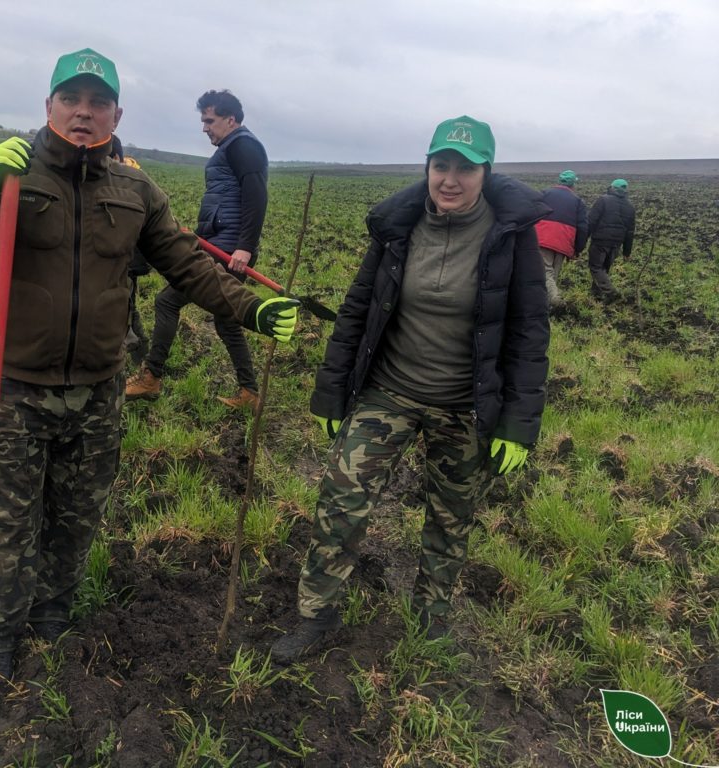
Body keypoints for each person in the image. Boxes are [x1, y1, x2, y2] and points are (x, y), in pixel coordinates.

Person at [0, 48, 299, 683]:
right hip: (16, 388)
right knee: (9, 524)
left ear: (117, 113)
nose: (84, 113)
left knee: (76, 515)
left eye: (98, 103)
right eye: (72, 99)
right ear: (49, 105)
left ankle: (52, 617)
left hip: (98, 389)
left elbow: (185, 263)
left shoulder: (135, 188)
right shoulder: (7, 169)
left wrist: (252, 310)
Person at [270, 116, 550, 665]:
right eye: (440, 165)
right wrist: (331, 391)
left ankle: (432, 615)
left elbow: (527, 331)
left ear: (485, 172)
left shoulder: (510, 237)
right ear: (427, 166)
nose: (450, 178)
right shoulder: (399, 227)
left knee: (451, 517)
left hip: (465, 405)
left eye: (465, 168)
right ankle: (315, 615)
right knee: (341, 503)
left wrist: (518, 424)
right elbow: (356, 311)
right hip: (389, 392)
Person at [126, 89, 269, 410]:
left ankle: (151, 376)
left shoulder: (243, 145)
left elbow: (256, 195)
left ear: (230, 120)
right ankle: (249, 393)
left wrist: (244, 247)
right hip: (219, 242)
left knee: (166, 302)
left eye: (210, 120)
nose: (205, 127)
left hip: (228, 248)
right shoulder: (233, 146)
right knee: (226, 320)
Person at [109, 136, 151, 364]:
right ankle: (140, 356)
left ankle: (139, 356)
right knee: (128, 304)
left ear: (116, 158)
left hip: (129, 258)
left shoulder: (130, 185)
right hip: (127, 257)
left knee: (127, 305)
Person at [534, 170, 589, 309]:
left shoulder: (544, 193)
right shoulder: (578, 201)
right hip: (564, 242)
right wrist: (578, 249)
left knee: (545, 272)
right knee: (553, 273)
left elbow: (532, 213)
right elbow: (583, 228)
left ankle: (551, 300)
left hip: (543, 237)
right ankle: (549, 303)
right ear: (573, 184)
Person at [587, 179, 636, 301]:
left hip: (600, 240)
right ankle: (596, 293)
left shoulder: (603, 200)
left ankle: (611, 292)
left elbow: (591, 221)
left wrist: (582, 240)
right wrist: (626, 252)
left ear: (612, 188)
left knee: (596, 266)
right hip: (616, 243)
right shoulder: (630, 207)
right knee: (604, 268)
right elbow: (630, 232)